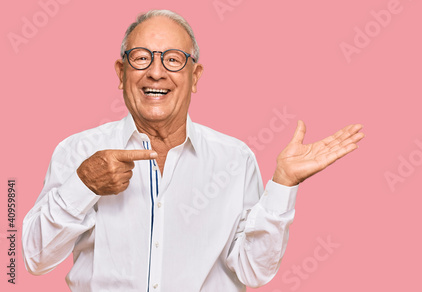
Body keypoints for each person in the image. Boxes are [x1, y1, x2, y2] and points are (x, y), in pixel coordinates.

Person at [22, 9, 364, 291]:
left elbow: (253, 271)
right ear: (121, 71)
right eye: (141, 58)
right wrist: (83, 185)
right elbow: (35, 258)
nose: (156, 73)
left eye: (173, 60)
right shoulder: (77, 151)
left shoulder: (235, 159)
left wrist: (283, 185)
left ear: (195, 76)